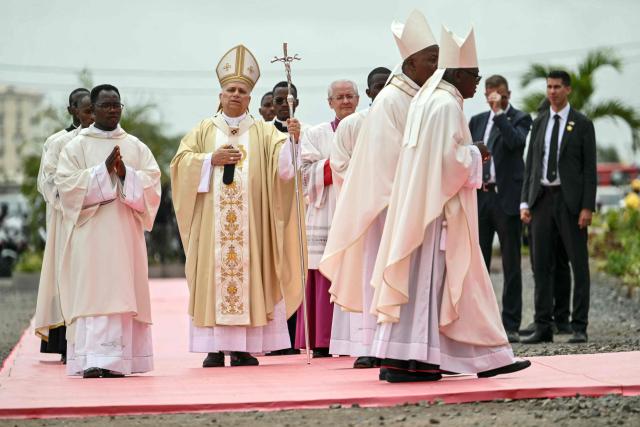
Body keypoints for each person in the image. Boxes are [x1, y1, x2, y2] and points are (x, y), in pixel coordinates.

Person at [369, 26, 530, 383]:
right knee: (438, 286)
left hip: (424, 209)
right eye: (474, 76)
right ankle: (417, 361)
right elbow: (447, 163)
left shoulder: (430, 99)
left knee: (434, 289)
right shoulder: (443, 104)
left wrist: (468, 153)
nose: (477, 84)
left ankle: (412, 361)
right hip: (437, 214)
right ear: (457, 74)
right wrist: (476, 153)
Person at [170, 45, 305, 368]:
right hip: (211, 227)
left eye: (242, 91)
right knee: (213, 278)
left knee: (248, 275)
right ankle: (215, 348)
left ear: (250, 98)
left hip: (251, 228)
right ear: (220, 95)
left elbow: (285, 170)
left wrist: (294, 141)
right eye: (230, 89)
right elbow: (179, 164)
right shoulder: (204, 130)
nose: (235, 95)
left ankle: (244, 348)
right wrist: (208, 160)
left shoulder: (263, 132)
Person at [319, 9, 439, 369]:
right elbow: (391, 161)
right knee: (383, 276)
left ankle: (407, 349)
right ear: (411, 61)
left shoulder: (414, 96)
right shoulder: (392, 100)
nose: (437, 67)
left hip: (407, 205)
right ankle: (379, 347)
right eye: (431, 60)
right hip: (388, 207)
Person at [55, 84, 161, 378]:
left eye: (117, 105)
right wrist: (102, 172)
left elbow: (153, 185)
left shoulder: (135, 146)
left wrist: (126, 174)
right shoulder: (75, 147)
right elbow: (66, 188)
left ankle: (120, 361)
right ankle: (92, 359)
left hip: (124, 234)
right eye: (106, 105)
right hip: (91, 235)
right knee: (94, 293)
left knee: (122, 292)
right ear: (94, 108)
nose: (113, 110)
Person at [520, 70, 597, 344]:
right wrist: (525, 201)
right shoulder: (540, 122)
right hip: (541, 200)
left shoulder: (582, 124)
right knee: (540, 264)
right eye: (549, 87)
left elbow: (589, 170)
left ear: (568, 90)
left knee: (578, 264)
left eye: (557, 87)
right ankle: (543, 325)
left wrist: (587, 207)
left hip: (570, 202)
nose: (552, 91)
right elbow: (531, 165)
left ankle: (579, 326)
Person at [295, 79, 359, 357]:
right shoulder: (317, 134)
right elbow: (305, 172)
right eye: (339, 97)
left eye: (349, 96)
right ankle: (322, 339)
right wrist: (342, 165)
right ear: (330, 103)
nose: (345, 101)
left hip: (358, 209)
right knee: (323, 271)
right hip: (325, 210)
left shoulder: (369, 129)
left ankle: (356, 339)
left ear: (358, 99)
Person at [468, 75, 532, 343]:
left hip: (506, 198)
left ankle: (511, 323)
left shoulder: (519, 118)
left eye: (499, 93)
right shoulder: (477, 121)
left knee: (510, 263)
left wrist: (500, 115)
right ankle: (481, 321)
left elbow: (516, 143)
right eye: (489, 94)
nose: (493, 97)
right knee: (478, 263)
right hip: (481, 198)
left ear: (507, 94)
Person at [34, 93, 94, 363]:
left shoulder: (101, 139)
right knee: (66, 275)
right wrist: (75, 193)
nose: (91, 116)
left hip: (96, 216)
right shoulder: (58, 142)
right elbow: (47, 183)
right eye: (86, 110)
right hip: (65, 218)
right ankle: (64, 342)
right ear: (72, 110)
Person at [265, 80, 309, 356]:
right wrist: (288, 143)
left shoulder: (310, 133)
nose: (284, 105)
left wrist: (297, 140)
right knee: (275, 274)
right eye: (279, 100)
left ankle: (297, 337)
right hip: (271, 213)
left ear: (297, 102)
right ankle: (274, 340)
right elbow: (278, 172)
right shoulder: (264, 135)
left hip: (299, 213)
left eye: (289, 99)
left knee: (297, 270)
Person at [330, 66, 391, 191]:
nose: (385, 91)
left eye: (389, 86)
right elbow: (339, 166)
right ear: (368, 93)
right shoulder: (350, 124)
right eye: (379, 87)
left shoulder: (406, 118)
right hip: (365, 194)